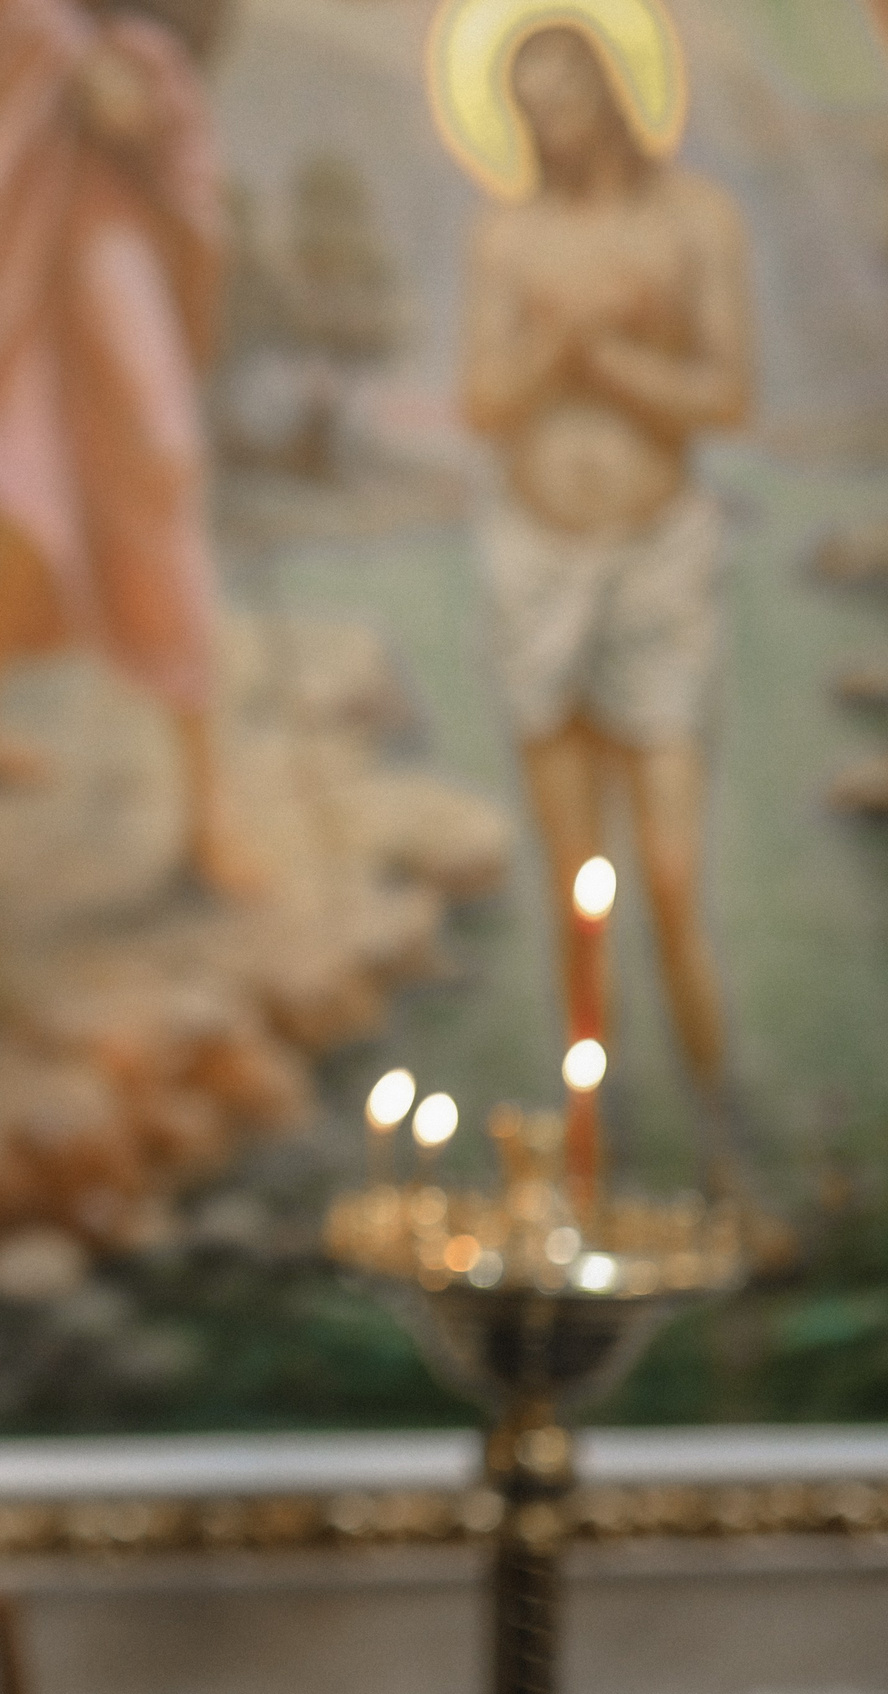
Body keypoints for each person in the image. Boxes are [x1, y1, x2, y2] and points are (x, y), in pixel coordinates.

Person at [0, 0, 260, 894]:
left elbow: (148, 76)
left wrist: (129, 78)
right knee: (17, 487)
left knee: (155, 461)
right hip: (10, 233)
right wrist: (54, 52)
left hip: (98, 219)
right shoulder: (31, 29)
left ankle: (207, 808)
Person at [458, 22, 751, 1139]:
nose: (554, 124)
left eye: (569, 96)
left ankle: (719, 1136)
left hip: (656, 560)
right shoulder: (508, 236)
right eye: (531, 106)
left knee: (669, 877)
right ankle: (591, 1145)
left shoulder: (693, 221)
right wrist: (561, 345)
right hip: (537, 560)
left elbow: (726, 394)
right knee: (577, 889)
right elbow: (485, 402)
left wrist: (611, 356)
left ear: (612, 90)